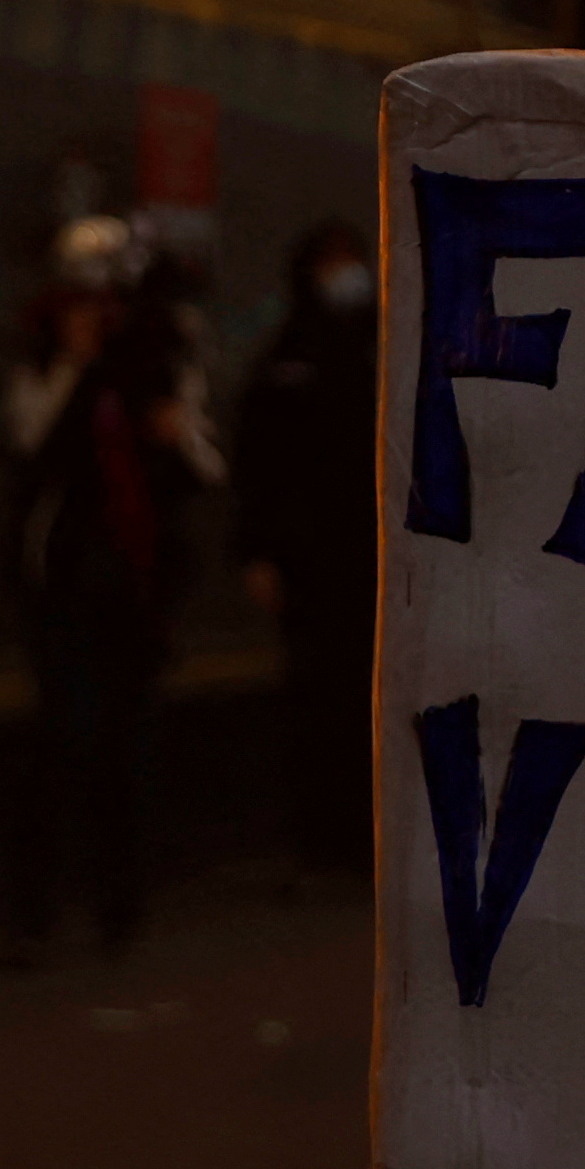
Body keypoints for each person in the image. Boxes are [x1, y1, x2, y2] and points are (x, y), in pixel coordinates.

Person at [3, 215, 221, 959]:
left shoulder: (156, 362)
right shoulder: (42, 364)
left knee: (127, 748)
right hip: (63, 583)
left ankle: (117, 908)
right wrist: (74, 365)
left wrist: (171, 431)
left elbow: (202, 463)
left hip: (134, 584)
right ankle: (34, 909)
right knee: (62, 740)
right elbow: (30, 448)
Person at [232, 219, 381, 877]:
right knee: (318, 700)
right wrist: (258, 552)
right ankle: (324, 839)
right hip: (313, 562)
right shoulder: (287, 358)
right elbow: (259, 462)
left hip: (371, 558)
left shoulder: (384, 344)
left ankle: (367, 835)